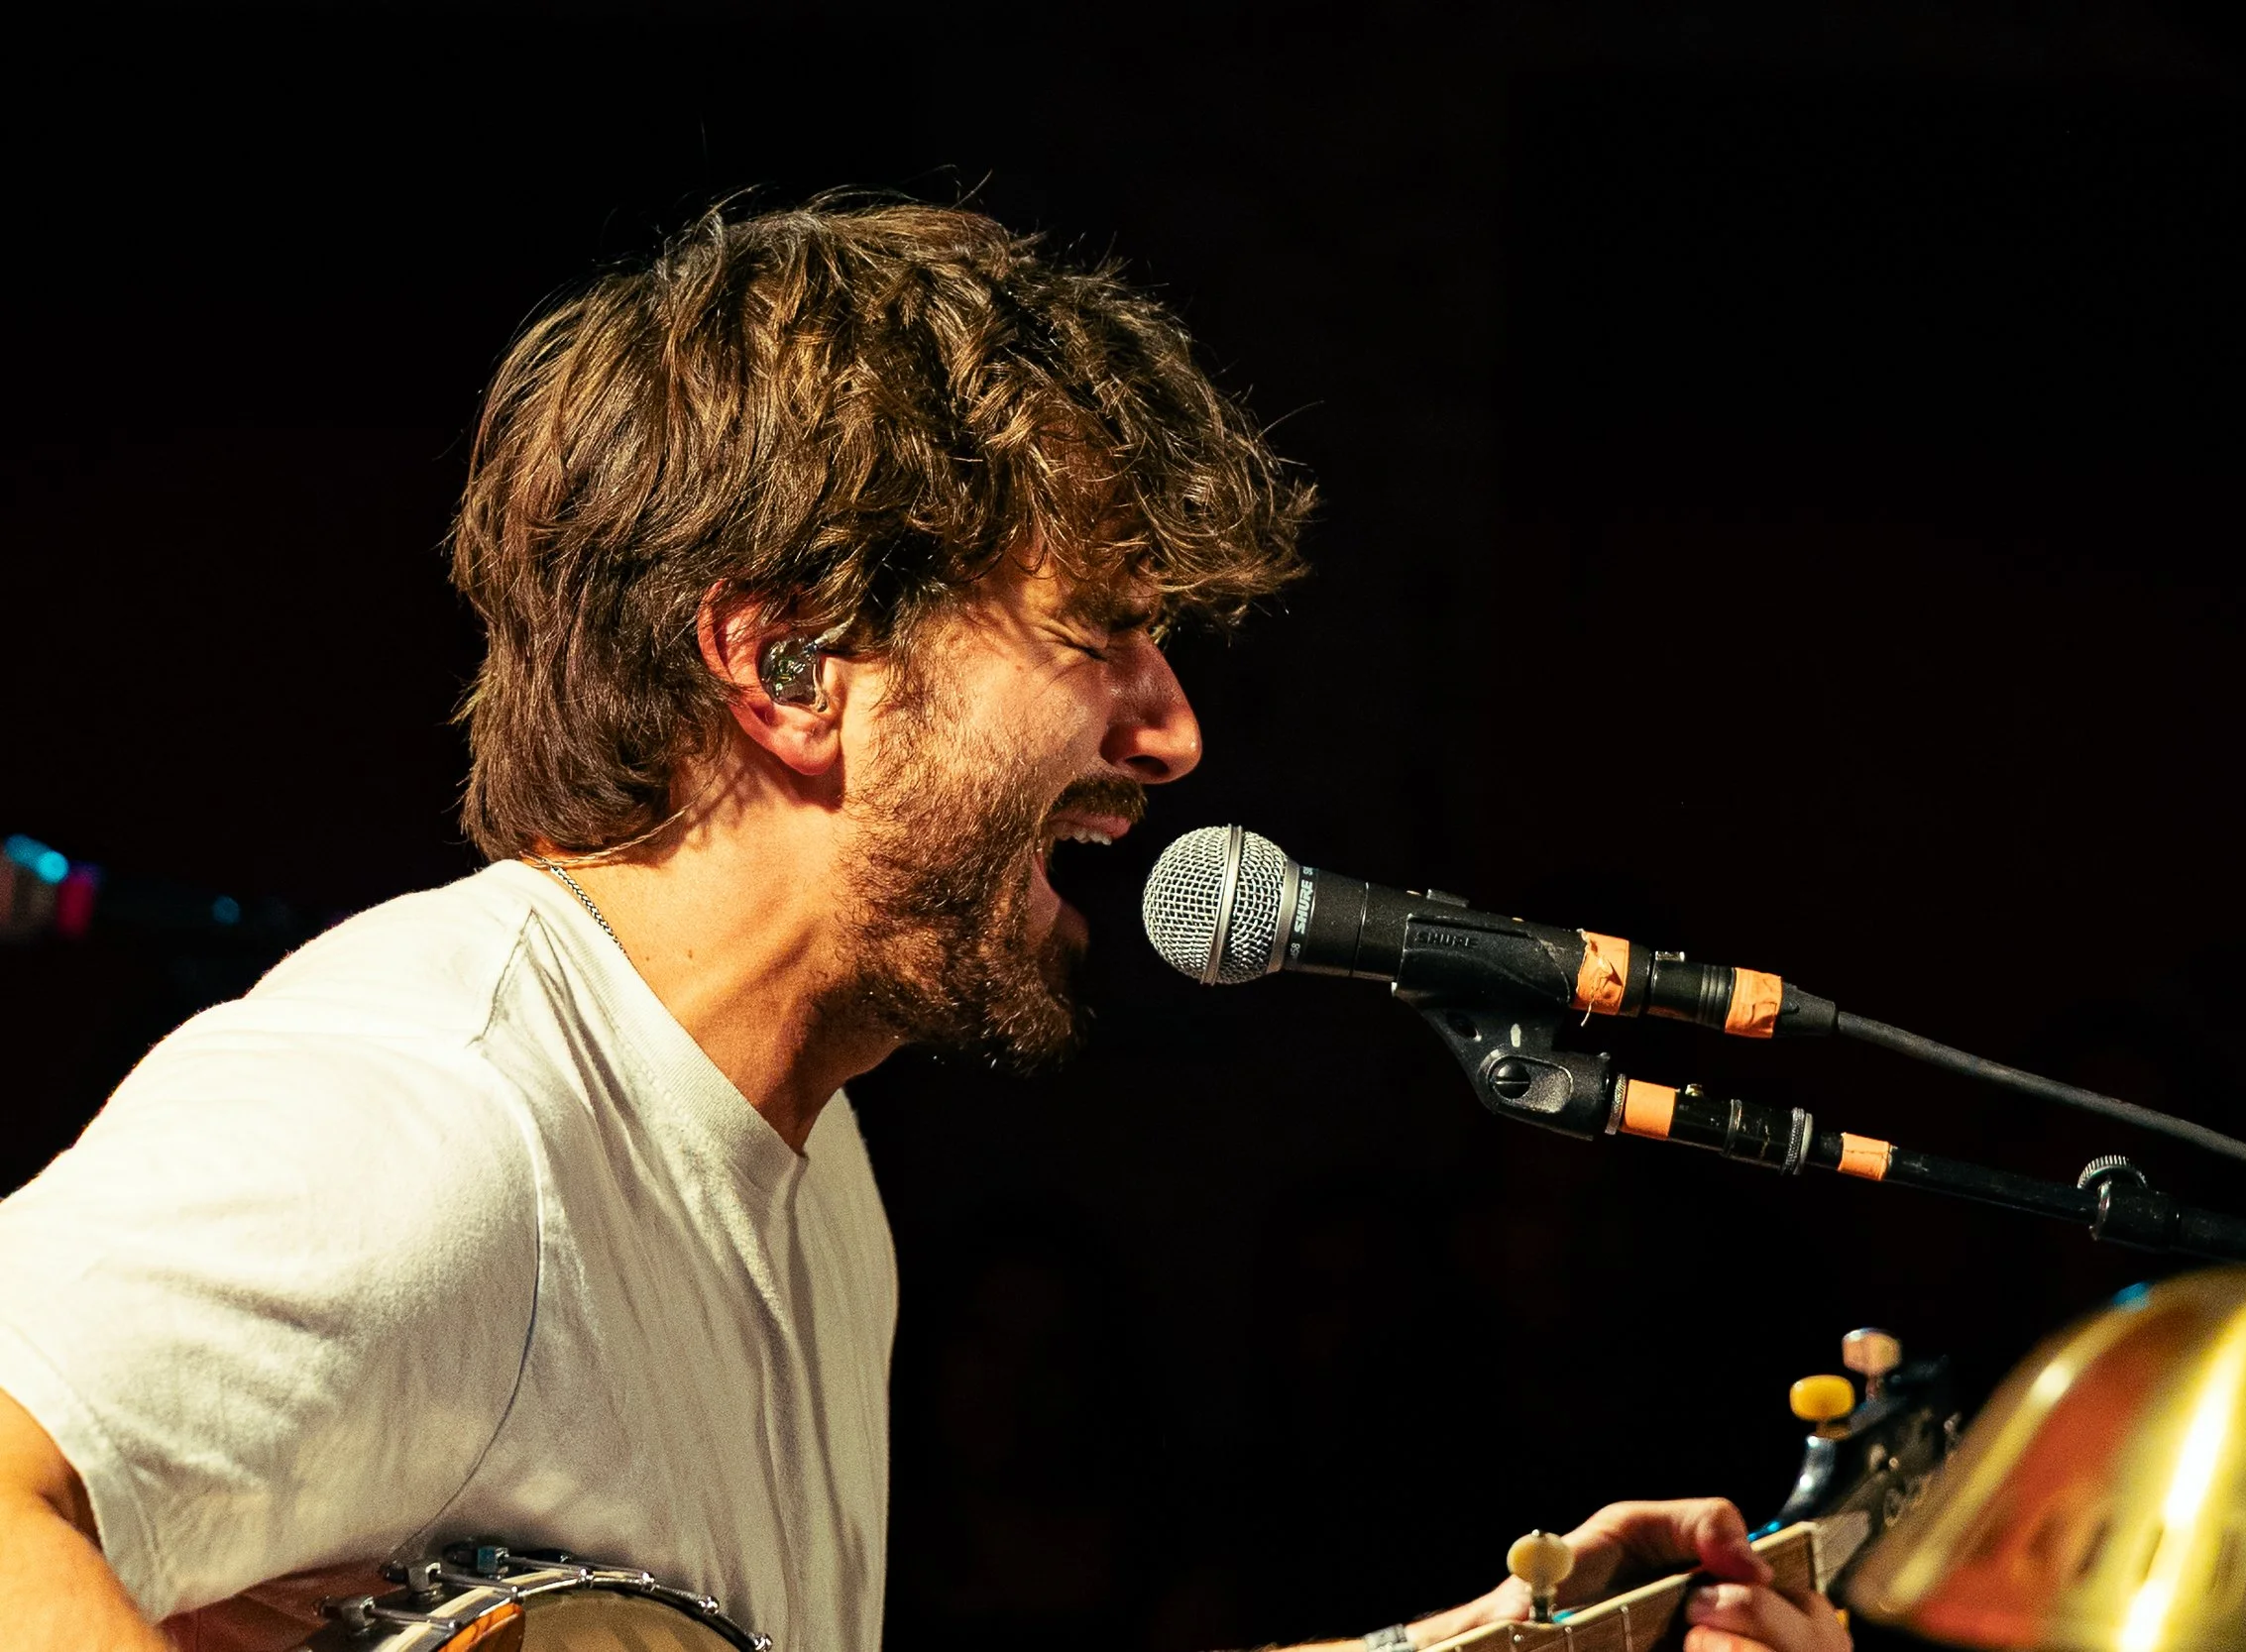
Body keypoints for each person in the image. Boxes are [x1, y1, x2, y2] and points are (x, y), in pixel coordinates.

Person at [0, 200, 1847, 1652]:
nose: (1176, 729)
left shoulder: (818, 1173)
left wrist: (1499, 1644)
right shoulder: (433, 1114)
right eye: (1100, 628)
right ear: (791, 662)